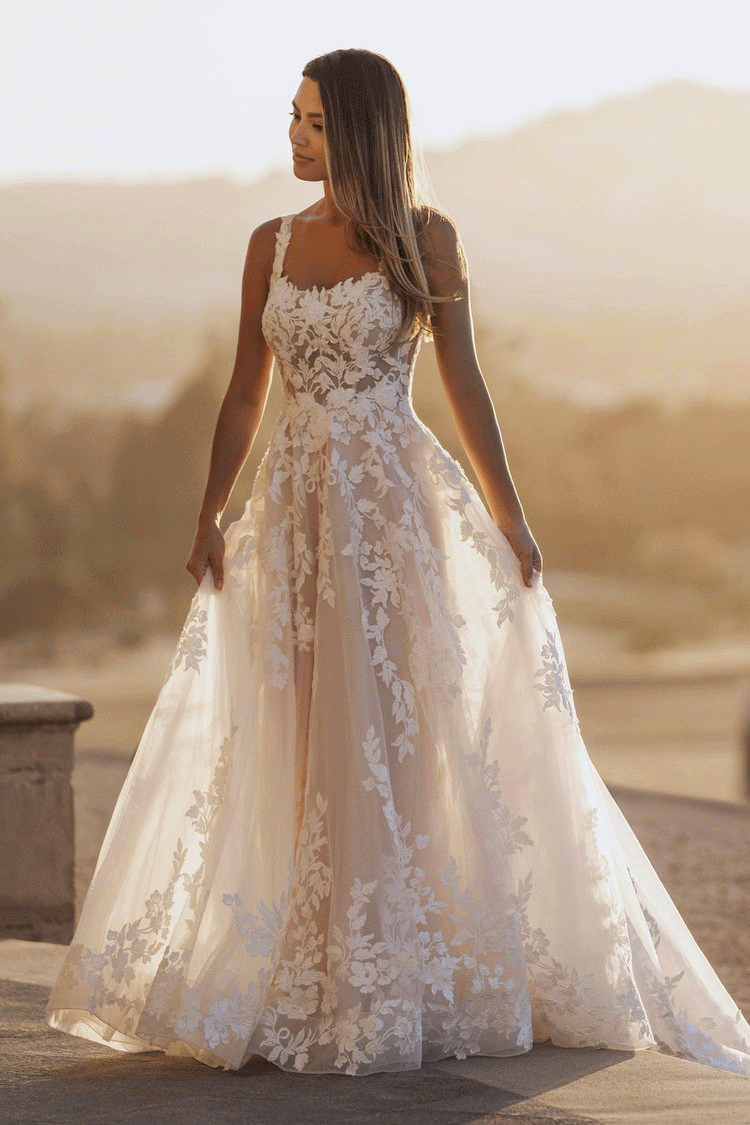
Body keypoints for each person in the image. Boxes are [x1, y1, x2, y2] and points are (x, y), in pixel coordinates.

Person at [46, 48, 750, 1078]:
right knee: (289, 730)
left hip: (392, 516)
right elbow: (246, 392)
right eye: (292, 116)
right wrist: (210, 510)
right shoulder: (269, 243)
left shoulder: (429, 238)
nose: (294, 136)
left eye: (317, 122)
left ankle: (399, 962)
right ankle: (306, 951)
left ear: (367, 130)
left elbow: (465, 381)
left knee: (398, 731)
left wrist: (512, 521)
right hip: (290, 516)